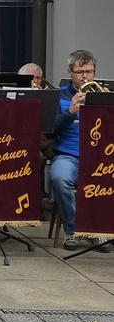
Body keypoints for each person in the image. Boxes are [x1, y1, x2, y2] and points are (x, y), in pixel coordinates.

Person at [49, 49, 110, 252]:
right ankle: (73, 230)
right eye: (80, 71)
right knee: (59, 177)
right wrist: (70, 112)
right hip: (69, 155)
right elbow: (50, 130)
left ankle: (100, 230)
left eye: (89, 71)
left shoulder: (104, 94)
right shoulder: (59, 96)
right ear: (70, 73)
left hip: (101, 156)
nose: (85, 76)